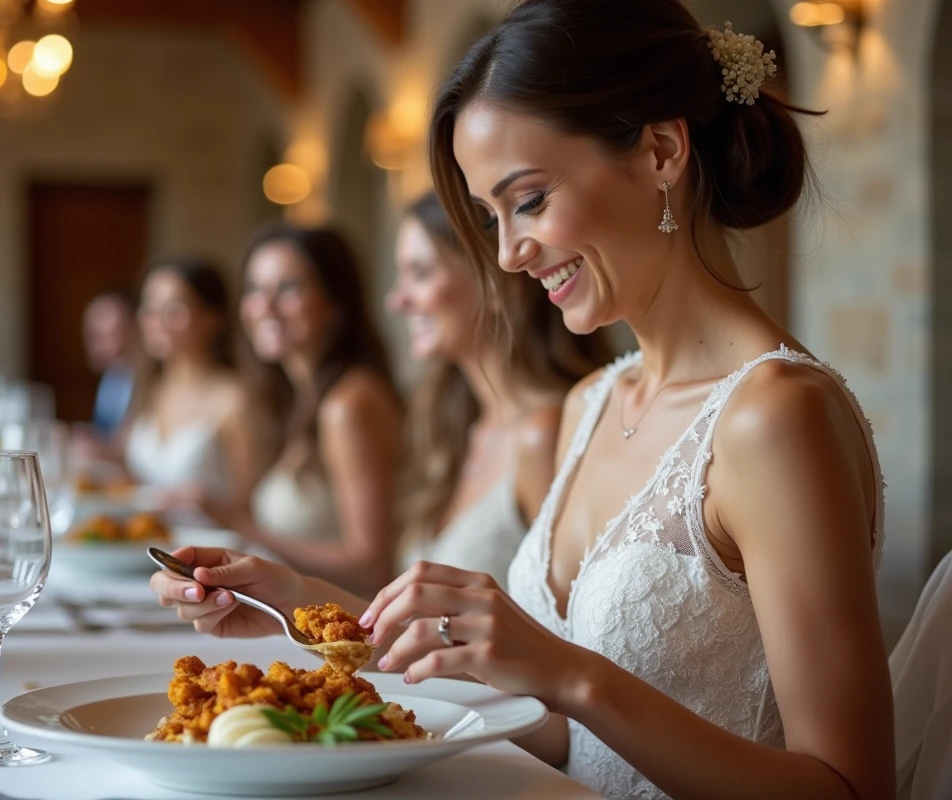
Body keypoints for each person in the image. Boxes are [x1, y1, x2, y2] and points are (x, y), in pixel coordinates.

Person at [151, 3, 894, 799]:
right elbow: (560, 734)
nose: (507, 255)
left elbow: (849, 787)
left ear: (660, 150)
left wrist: (572, 675)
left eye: (530, 200)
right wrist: (300, 605)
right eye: (490, 218)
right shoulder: (592, 404)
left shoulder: (775, 416)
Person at [390, 191, 610, 587]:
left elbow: (568, 626)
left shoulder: (546, 432)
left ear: (494, 283)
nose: (397, 300)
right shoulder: (457, 424)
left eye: (420, 273)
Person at [173, 224, 402, 597]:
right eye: (254, 289)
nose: (264, 307)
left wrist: (239, 524)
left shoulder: (348, 406)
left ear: (336, 302)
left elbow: (372, 567)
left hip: (349, 635)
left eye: (288, 288)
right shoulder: (293, 401)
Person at [123, 258, 254, 506]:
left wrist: (205, 503)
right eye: (149, 307)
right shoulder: (151, 388)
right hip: (144, 538)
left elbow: (249, 505)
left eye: (175, 309)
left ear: (213, 318)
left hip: (209, 541)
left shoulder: (235, 397)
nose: (157, 321)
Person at [82, 290, 138, 439]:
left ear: (134, 330)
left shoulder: (149, 381)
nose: (100, 346)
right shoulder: (111, 378)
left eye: (110, 335)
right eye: (93, 335)